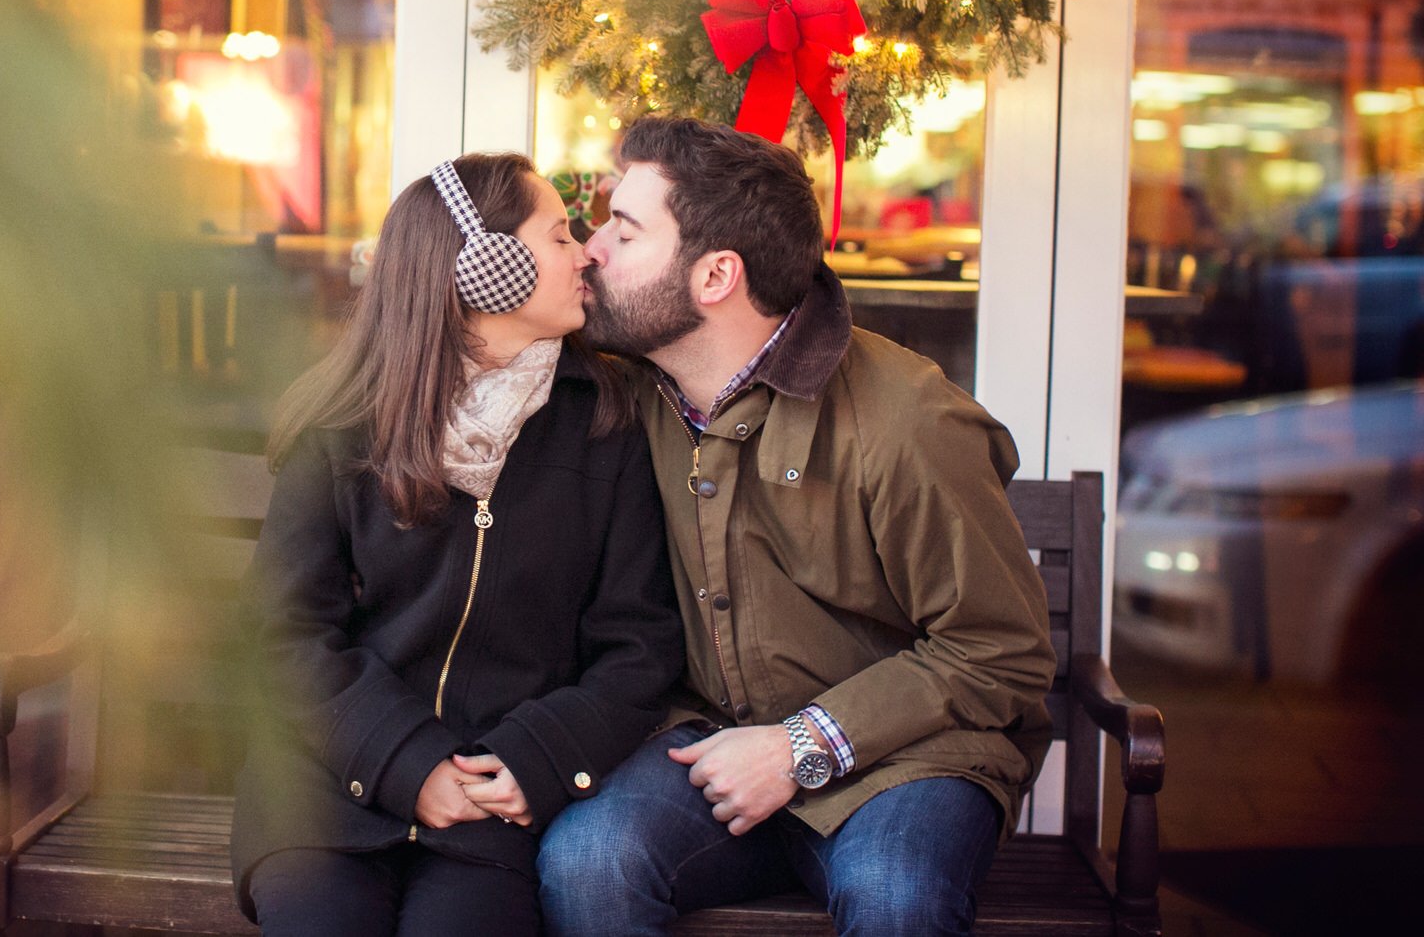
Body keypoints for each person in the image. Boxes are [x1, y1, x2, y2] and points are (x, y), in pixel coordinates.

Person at [540, 117, 1056, 937]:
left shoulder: (906, 419)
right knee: (587, 862)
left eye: (623, 229)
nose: (592, 248)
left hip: (908, 760)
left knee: (896, 891)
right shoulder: (635, 386)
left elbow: (1003, 648)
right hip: (707, 742)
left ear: (715, 275)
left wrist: (797, 746)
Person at [230, 152, 686, 937]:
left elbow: (638, 645)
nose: (586, 253)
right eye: (559, 235)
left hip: (492, 806)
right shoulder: (342, 420)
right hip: (326, 795)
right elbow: (284, 634)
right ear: (488, 267)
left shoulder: (604, 420)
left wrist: (532, 761)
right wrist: (410, 764)